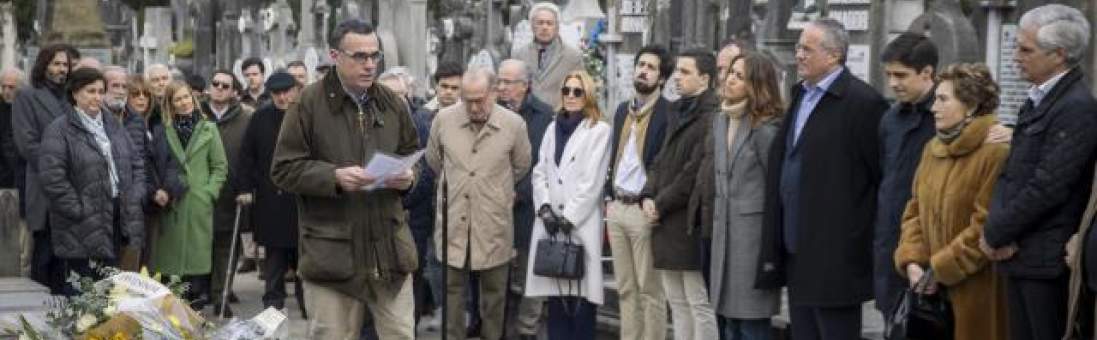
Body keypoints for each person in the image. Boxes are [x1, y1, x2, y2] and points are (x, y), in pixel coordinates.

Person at [271, 19, 420, 340]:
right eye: (359, 57)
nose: (370, 65)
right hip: (332, 255)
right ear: (335, 55)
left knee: (401, 334)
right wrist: (333, 177)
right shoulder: (307, 104)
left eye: (375, 56)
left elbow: (412, 157)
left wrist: (408, 178)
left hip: (389, 252)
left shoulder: (392, 103)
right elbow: (283, 169)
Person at [755, 18, 888, 340]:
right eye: (799, 47)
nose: (798, 54)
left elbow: (878, 177)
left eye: (806, 49)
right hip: (797, 245)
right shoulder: (801, 94)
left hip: (836, 254)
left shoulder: (863, 103)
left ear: (834, 55)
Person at [980, 5, 1097, 340]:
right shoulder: (1039, 99)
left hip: (1045, 260)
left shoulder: (1076, 107)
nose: (1016, 56)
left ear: (1058, 54)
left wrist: (997, 232)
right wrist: (996, 230)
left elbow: (1049, 186)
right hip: (1019, 251)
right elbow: (1012, 173)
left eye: (1025, 49)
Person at [893, 63, 1009, 340]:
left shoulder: (996, 152)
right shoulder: (933, 149)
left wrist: (940, 268)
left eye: (943, 99)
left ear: (970, 106)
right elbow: (914, 211)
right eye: (935, 99)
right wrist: (912, 262)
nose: (934, 108)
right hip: (928, 292)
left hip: (977, 291)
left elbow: (986, 224)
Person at [425, 66, 532, 340]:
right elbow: (435, 161)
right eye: (467, 99)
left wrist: (491, 189)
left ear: (494, 93)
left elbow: (521, 166)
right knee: (452, 295)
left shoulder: (513, 125)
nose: (473, 107)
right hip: (453, 220)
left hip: (493, 222)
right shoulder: (443, 120)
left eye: (479, 99)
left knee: (494, 297)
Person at [690, 51, 783, 340]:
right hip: (721, 236)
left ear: (757, 84)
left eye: (740, 76)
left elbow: (777, 189)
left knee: (751, 324)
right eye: (731, 72)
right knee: (728, 322)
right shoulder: (720, 120)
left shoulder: (766, 127)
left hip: (752, 241)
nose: (730, 79)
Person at [38, 67, 145, 294]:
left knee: (111, 291)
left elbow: (136, 163)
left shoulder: (113, 125)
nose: (97, 97)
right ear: (75, 94)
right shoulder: (59, 130)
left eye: (100, 91)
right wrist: (79, 209)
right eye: (90, 91)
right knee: (83, 294)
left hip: (117, 217)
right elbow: (52, 178)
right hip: (80, 224)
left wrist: (134, 196)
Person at [640, 49, 719, 340]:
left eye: (686, 72)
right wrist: (647, 194)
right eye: (678, 71)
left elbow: (694, 170)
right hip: (663, 217)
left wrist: (659, 204)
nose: (677, 78)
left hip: (688, 219)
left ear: (705, 78)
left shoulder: (711, 116)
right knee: (676, 301)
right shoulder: (676, 110)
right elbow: (661, 159)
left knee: (698, 301)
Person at [524, 70, 610, 340]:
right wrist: (545, 209)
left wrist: (568, 218)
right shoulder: (552, 127)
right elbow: (540, 171)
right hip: (550, 224)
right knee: (556, 297)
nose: (571, 96)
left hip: (579, 224)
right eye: (567, 91)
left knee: (581, 300)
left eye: (578, 91)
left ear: (588, 96)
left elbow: (593, 181)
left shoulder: (599, 130)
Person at [604, 44, 672, 340]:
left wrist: (651, 198)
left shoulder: (668, 114)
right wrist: (608, 197)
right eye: (640, 64)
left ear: (661, 78)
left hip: (644, 209)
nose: (643, 71)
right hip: (618, 207)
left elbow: (664, 162)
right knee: (625, 288)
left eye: (651, 67)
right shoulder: (622, 110)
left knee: (650, 290)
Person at [873, 32, 939, 318]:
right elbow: (885, 177)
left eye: (901, 75)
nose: (893, 83)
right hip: (891, 242)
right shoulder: (891, 118)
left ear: (927, 73)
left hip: (930, 246)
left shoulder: (945, 116)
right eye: (888, 75)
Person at [149, 80, 228, 308]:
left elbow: (220, 167)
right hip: (171, 203)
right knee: (170, 268)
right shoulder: (162, 131)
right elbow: (155, 164)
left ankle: (195, 311)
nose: (184, 103)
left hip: (198, 203)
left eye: (186, 98)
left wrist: (209, 193)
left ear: (193, 99)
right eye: (177, 100)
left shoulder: (208, 128)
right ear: (170, 105)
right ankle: (173, 314)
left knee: (196, 264)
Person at [13, 43, 80, 293]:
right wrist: (65, 162)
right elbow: (27, 144)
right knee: (43, 256)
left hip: (74, 189)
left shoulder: (73, 97)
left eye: (65, 64)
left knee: (68, 263)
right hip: (45, 188)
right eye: (56, 63)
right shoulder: (27, 97)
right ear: (44, 65)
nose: (61, 69)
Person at [494, 58, 554, 339]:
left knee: (531, 274)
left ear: (525, 85)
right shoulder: (491, 111)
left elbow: (543, 162)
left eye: (508, 82)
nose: (502, 87)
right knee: (497, 275)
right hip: (495, 208)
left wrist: (520, 192)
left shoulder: (543, 115)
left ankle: (527, 329)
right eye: (500, 81)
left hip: (528, 206)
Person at [237, 72, 304, 313]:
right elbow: (247, 156)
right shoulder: (260, 117)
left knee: (302, 256)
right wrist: (245, 188)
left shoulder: (305, 115)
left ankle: (306, 302)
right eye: (277, 93)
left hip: (301, 196)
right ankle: (273, 303)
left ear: (295, 91)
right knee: (274, 255)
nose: (282, 97)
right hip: (271, 196)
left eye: (287, 91)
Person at [407, 61, 463, 331]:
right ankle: (438, 309)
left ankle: (457, 313)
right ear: (435, 85)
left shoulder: (468, 113)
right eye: (445, 86)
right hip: (427, 200)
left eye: (455, 87)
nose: (449, 92)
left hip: (458, 200)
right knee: (430, 258)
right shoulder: (422, 117)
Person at [203, 68, 255, 317]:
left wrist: (246, 188)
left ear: (234, 92)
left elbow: (250, 158)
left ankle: (220, 296)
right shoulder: (196, 114)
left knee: (228, 247)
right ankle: (201, 292)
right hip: (201, 193)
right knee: (202, 245)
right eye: (216, 84)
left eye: (226, 86)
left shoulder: (246, 119)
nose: (220, 89)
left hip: (232, 194)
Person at [513, 2, 583, 108]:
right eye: (540, 23)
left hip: (558, 117)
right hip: (527, 117)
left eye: (549, 23)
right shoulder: (520, 55)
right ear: (532, 26)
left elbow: (581, 90)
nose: (544, 27)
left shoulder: (572, 57)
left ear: (557, 27)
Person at [0, 67, 27, 276]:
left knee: (21, 248)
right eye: (4, 87)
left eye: (12, 87)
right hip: (3, 181)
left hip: (21, 184)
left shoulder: (26, 111)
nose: (7, 91)